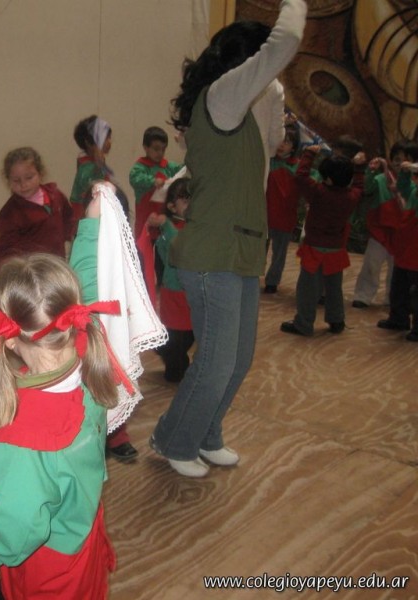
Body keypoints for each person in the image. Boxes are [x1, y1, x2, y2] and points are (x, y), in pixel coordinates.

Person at [151, 0, 307, 478]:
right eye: (260, 63)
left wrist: (274, 95)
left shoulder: (240, 110)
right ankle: (174, 440)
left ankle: (205, 434)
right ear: (245, 62)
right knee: (216, 362)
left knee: (237, 360)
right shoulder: (220, 97)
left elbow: (274, 134)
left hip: (238, 251)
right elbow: (286, 41)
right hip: (211, 251)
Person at [0, 198, 125, 599]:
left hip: (49, 567)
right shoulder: (89, 350)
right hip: (82, 535)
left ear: (10, 338)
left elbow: (19, 525)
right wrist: (91, 225)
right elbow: (87, 280)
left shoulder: (23, 436)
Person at [280, 146, 366, 336]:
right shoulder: (350, 197)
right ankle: (337, 320)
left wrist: (309, 153)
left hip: (314, 248)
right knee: (334, 288)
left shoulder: (319, 192)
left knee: (308, 289)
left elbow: (300, 176)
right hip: (336, 249)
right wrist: (359, 168)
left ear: (328, 178)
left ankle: (303, 324)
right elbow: (360, 187)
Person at [352, 140, 410, 308]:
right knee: (371, 264)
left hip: (401, 234)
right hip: (379, 231)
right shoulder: (381, 178)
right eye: (397, 159)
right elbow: (367, 188)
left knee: (396, 269)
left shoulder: (413, 183)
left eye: (406, 160)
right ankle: (363, 296)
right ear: (391, 160)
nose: (401, 164)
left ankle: (392, 298)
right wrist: (370, 171)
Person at [147, 178, 194, 383]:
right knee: (176, 335)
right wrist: (164, 224)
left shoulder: (194, 227)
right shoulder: (171, 229)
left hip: (190, 291)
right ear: (172, 206)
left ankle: (168, 351)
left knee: (188, 334)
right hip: (174, 291)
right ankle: (172, 361)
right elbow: (176, 250)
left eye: (194, 199)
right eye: (186, 201)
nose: (192, 205)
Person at [0, 146, 74, 264]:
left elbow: (69, 221)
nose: (23, 185)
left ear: (40, 174)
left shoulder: (55, 195)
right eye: (16, 180)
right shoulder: (9, 214)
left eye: (29, 177)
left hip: (58, 263)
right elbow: (6, 252)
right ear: (8, 181)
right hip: (32, 269)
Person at [377, 157, 418, 341]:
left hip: (414, 252)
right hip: (405, 249)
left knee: (415, 293)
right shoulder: (414, 190)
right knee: (399, 288)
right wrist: (404, 173)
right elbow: (403, 187)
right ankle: (398, 318)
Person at [263, 125, 302, 293]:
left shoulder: (298, 167)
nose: (282, 145)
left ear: (293, 147)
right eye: (280, 140)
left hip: (285, 215)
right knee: (259, 249)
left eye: (287, 142)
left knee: (279, 252)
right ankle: (253, 275)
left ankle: (272, 281)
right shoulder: (268, 160)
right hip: (265, 213)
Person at [70, 115, 129, 223]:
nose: (109, 142)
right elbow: (90, 192)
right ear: (89, 143)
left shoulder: (97, 165)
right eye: (105, 138)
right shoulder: (87, 167)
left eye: (109, 137)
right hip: (87, 219)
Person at [129, 126, 182, 239]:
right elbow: (134, 178)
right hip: (145, 222)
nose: (160, 153)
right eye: (156, 149)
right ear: (145, 147)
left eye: (163, 149)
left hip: (163, 221)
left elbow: (183, 169)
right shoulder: (140, 167)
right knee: (145, 246)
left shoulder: (168, 166)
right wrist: (152, 181)